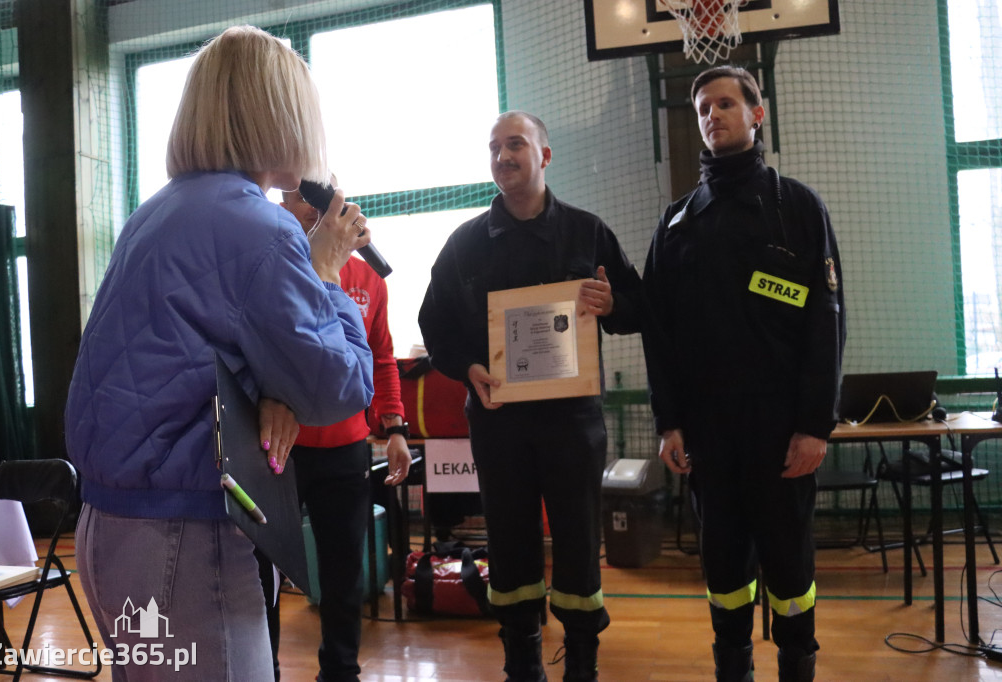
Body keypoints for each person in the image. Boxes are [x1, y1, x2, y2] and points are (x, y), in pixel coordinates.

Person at [65, 26, 374, 682]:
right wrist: (325, 274)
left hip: (110, 524)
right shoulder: (256, 227)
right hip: (180, 530)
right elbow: (339, 386)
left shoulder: (157, 213)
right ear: (277, 112)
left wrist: (271, 390)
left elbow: (198, 355)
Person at [418, 110, 642, 682]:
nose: (502, 156)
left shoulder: (587, 232)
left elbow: (638, 307)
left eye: (515, 144)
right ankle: (522, 663)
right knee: (511, 544)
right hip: (498, 424)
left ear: (544, 155)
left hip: (574, 423)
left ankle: (582, 664)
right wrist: (470, 369)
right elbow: (435, 326)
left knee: (577, 540)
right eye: (493, 147)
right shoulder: (464, 244)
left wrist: (610, 303)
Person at [641, 65, 845, 682]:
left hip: (782, 434)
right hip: (707, 437)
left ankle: (796, 669)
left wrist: (815, 426)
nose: (712, 116)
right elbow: (659, 333)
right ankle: (733, 670)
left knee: (788, 569)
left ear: (757, 114)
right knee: (723, 568)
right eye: (703, 108)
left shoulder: (798, 208)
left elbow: (826, 325)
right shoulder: (677, 224)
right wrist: (669, 422)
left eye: (726, 104)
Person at [253, 184, 412, 682]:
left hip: (346, 449)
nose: (300, 208)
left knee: (344, 573)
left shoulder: (368, 278)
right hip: (279, 450)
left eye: (312, 198)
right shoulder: (272, 265)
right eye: (292, 199)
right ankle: (263, 669)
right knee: (263, 572)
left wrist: (396, 427)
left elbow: (382, 359)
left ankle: (341, 672)